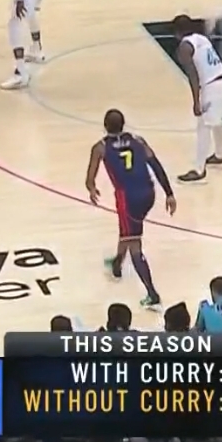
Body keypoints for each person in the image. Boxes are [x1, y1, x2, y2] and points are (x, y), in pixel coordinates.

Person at [85, 109, 173, 308]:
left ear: (105, 126)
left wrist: (92, 189)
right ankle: (117, 263)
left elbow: (89, 178)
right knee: (127, 231)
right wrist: (169, 193)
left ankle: (152, 294)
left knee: (134, 242)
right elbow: (156, 165)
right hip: (148, 193)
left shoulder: (100, 148)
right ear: (123, 124)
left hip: (128, 198)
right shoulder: (139, 141)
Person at [172, 14, 222, 181]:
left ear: (177, 32)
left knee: (203, 126)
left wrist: (196, 101)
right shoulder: (201, 38)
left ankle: (199, 170)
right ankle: (219, 155)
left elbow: (193, 76)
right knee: (217, 121)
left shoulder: (185, 47)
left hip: (213, 87)